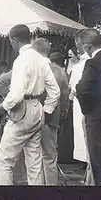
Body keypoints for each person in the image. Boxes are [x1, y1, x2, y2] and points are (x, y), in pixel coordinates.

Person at [0, 24, 60, 186]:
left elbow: (16, 94)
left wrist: (3, 106)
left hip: (22, 110)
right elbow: (55, 91)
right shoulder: (41, 59)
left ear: (14, 39)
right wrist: (47, 109)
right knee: (34, 163)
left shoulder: (21, 60)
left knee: (4, 161)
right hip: (38, 109)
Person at [32, 38, 69, 186]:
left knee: (33, 157)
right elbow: (65, 98)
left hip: (30, 117)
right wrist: (62, 114)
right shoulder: (59, 71)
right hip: (51, 119)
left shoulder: (31, 67)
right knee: (50, 156)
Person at [76, 29, 101, 186]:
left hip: (96, 115)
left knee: (96, 157)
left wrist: (86, 109)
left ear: (87, 46)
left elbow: (83, 88)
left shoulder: (93, 62)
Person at [69, 34, 92, 180]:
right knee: (80, 130)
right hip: (79, 100)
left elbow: (78, 84)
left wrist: (73, 93)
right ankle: (84, 160)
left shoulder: (86, 62)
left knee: (83, 130)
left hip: (82, 99)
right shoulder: (82, 62)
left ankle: (87, 162)